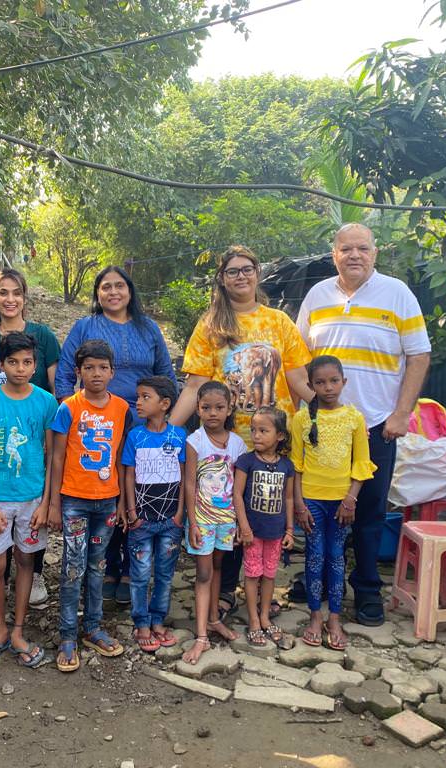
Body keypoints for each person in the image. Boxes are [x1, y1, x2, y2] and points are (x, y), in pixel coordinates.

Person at [296, 223, 431, 626]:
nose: (354, 255)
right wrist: (311, 409)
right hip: (323, 428)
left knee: (369, 512)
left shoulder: (398, 293)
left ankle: (368, 589)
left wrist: (401, 413)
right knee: (320, 506)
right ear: (334, 254)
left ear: (375, 253)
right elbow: (298, 358)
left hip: (375, 425)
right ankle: (318, 579)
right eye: (346, 249)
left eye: (362, 248)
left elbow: (419, 355)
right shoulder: (317, 295)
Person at [172, 245, 312, 620]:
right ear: (222, 278)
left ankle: (264, 589)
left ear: (257, 273)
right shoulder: (210, 326)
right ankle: (225, 592)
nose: (240, 276)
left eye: (247, 268)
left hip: (273, 446)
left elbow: (298, 378)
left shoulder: (279, 322)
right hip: (227, 446)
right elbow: (194, 385)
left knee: (267, 517)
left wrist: (324, 411)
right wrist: (167, 431)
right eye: (232, 271)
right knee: (228, 514)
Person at [56, 266, 176, 606]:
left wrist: (163, 419)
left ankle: (129, 569)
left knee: (133, 491)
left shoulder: (148, 328)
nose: (113, 292)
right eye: (105, 286)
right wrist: (75, 415)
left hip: (141, 426)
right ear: (97, 293)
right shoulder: (85, 326)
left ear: (130, 290)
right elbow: (64, 375)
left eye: (119, 285)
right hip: (96, 428)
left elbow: (166, 375)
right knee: (104, 489)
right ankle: (107, 566)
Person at [0, 268, 60, 607]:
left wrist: (51, 434)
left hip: (36, 430)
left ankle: (34, 574)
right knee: (1, 505)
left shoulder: (43, 336)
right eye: (3, 292)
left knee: (33, 501)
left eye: (16, 292)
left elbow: (56, 387)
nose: (10, 299)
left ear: (25, 297)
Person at [0, 332, 56, 668]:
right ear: (1, 365)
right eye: (13, 362)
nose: (21, 368)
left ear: (35, 365)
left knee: (25, 560)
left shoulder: (46, 402)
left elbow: (51, 454)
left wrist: (46, 503)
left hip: (33, 498)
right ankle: (0, 629)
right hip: (0, 499)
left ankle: (18, 630)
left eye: (27, 362)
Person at [49, 340, 131, 672]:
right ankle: (68, 634)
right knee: (73, 567)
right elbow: (56, 458)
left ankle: (93, 628)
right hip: (74, 501)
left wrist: (122, 501)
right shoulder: (68, 408)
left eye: (102, 367)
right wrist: (54, 503)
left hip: (107, 502)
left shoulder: (122, 409)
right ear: (78, 372)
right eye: (89, 368)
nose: (96, 373)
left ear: (112, 372)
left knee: (98, 566)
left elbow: (121, 458)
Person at [291, 356, 376, 651]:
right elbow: (296, 465)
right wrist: (299, 505)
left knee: (336, 557)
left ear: (344, 382)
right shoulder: (301, 419)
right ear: (311, 385)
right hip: (311, 500)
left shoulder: (354, 418)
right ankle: (315, 616)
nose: (328, 387)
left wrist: (350, 500)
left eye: (334, 381)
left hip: (342, 502)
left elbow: (362, 463)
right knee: (315, 556)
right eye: (320, 382)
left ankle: (335, 618)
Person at [182, 382, 248, 665]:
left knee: (218, 566)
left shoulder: (238, 444)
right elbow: (189, 483)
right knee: (204, 573)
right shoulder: (195, 441)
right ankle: (201, 636)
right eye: (206, 407)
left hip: (226, 520)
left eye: (219, 407)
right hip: (202, 520)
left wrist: (239, 522)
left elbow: (239, 487)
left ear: (229, 409)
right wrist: (193, 522)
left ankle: (213, 620)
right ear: (198, 409)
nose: (212, 413)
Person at [120, 376, 186, 653]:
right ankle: (142, 623)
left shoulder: (179, 436)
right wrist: (131, 512)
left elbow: (184, 478)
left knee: (164, 574)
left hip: (171, 521)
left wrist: (180, 514)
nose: (138, 402)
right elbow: (128, 474)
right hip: (142, 520)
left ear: (165, 403)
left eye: (145, 397)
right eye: (138, 396)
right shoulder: (135, 436)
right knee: (139, 574)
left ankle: (158, 620)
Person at [233, 406, 294, 648]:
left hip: (275, 533)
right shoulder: (246, 462)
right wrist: (244, 527)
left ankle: (265, 615)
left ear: (280, 435)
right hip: (253, 533)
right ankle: (253, 620)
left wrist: (290, 530)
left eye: (263, 430)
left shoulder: (287, 466)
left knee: (269, 574)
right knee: (252, 574)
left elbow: (289, 498)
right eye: (253, 430)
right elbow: (237, 495)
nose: (256, 435)